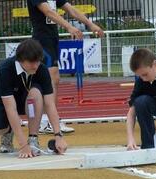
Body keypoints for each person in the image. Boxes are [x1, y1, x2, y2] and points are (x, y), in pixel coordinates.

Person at [27, 0, 104, 134]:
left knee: (54, 80)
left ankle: (50, 119)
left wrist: (90, 24)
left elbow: (71, 9)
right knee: (51, 78)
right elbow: (48, 12)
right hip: (41, 40)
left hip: (52, 39)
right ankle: (47, 121)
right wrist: (69, 27)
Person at [0, 39, 67, 158]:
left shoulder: (42, 70)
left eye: (37, 61)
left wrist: (58, 136)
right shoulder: (5, 70)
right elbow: (10, 107)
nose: (35, 65)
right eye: (31, 62)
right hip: (4, 101)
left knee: (35, 94)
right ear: (20, 60)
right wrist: (23, 145)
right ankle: (8, 130)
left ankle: (33, 138)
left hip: (28, 101)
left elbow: (49, 104)